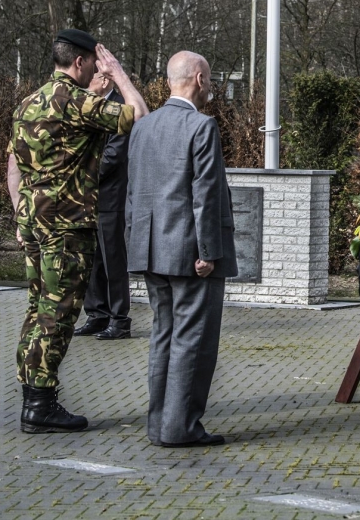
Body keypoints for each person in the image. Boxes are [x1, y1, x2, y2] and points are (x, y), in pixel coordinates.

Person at [6, 29, 148, 433]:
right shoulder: (75, 100)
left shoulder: (27, 104)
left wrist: (21, 214)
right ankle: (40, 405)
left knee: (38, 310)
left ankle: (33, 396)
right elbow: (139, 116)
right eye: (96, 62)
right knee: (58, 316)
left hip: (34, 221)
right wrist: (119, 75)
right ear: (82, 62)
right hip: (65, 226)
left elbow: (18, 166)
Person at [126, 50, 237, 448]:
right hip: (191, 254)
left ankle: (159, 426)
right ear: (199, 79)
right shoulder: (201, 126)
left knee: (163, 337)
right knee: (193, 341)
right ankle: (181, 428)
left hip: (151, 249)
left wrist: (134, 243)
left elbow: (133, 193)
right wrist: (209, 251)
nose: (212, 85)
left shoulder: (144, 126)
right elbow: (204, 195)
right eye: (210, 77)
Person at [73, 72, 134, 340]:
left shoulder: (119, 110)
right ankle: (97, 315)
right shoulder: (90, 108)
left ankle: (119, 320)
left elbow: (112, 157)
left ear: (105, 81)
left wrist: (76, 172)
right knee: (91, 260)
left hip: (110, 198)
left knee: (113, 260)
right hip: (86, 198)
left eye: (91, 80)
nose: (85, 85)